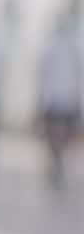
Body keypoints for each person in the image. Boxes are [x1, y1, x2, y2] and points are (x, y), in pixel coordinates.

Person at [38, 13, 81, 191]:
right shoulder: (58, 48)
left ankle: (57, 161)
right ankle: (57, 161)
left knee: (59, 134)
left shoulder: (70, 48)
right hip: (59, 98)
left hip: (62, 98)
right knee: (57, 134)